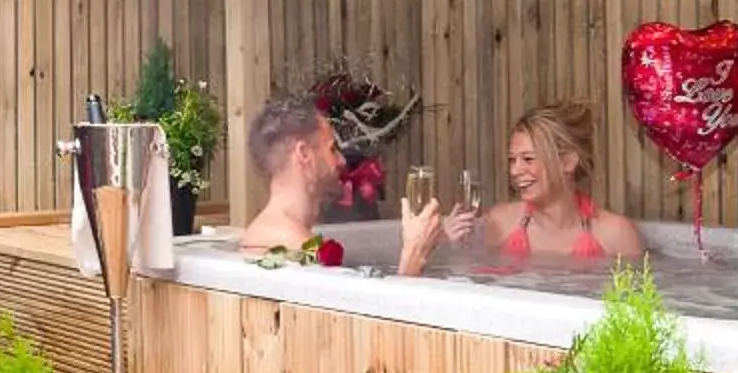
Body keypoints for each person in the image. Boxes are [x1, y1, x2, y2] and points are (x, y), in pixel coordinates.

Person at [233, 94, 443, 274]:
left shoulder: (262, 235)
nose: (342, 160)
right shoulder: (298, 251)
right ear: (304, 154)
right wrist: (413, 256)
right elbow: (365, 321)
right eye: (332, 149)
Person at [444, 101, 646, 264]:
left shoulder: (616, 234)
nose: (514, 170)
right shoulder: (501, 223)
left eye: (528, 159)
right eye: (512, 160)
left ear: (567, 162)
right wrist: (454, 246)